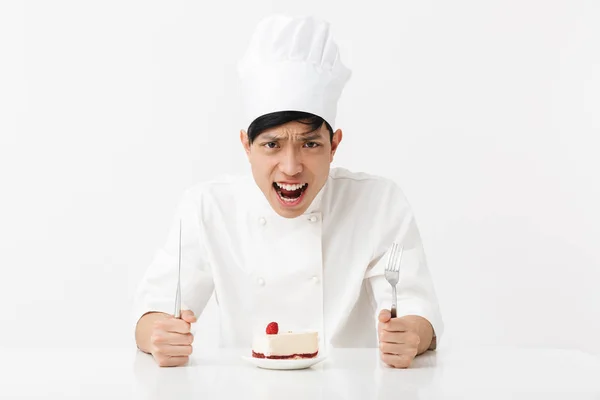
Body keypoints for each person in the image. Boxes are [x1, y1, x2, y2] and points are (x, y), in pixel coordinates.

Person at [132, 14, 443, 369]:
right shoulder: (208, 207)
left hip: (346, 390)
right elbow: (150, 313)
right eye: (272, 145)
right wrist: (159, 335)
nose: (291, 166)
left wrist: (411, 336)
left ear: (335, 145)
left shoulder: (378, 203)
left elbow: (420, 315)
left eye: (310, 144)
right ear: (246, 146)